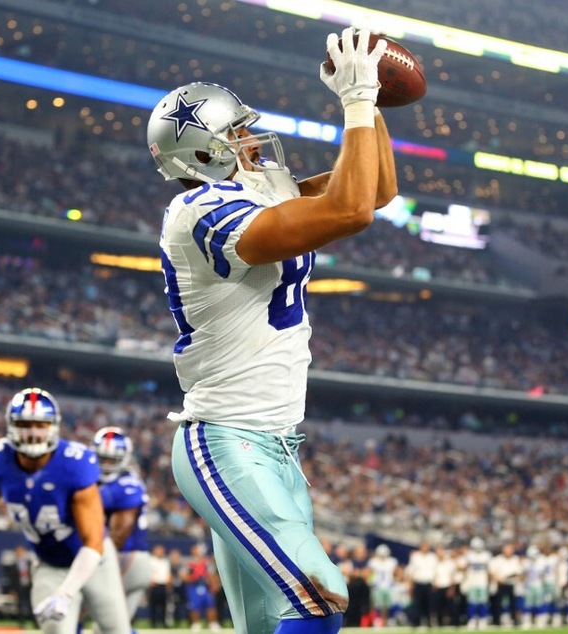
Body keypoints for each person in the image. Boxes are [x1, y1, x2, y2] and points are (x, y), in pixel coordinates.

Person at [147, 25, 396, 634]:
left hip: (279, 448)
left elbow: (376, 190)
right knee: (321, 597)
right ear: (202, 154)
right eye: (233, 134)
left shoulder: (254, 191)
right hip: (226, 441)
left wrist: (373, 102)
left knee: (268, 625)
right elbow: (352, 210)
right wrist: (355, 103)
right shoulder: (200, 213)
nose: (250, 141)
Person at [0, 387, 130, 634]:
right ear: (11, 425)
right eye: (25, 424)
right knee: (56, 629)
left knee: (116, 630)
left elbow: (94, 542)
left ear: (53, 426)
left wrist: (66, 593)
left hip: (94, 561)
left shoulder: (73, 464)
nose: (33, 432)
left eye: (40, 424)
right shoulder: (1, 459)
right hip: (49, 562)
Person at [93, 426, 152, 625]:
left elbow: (117, 536)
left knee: (73, 604)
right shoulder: (123, 483)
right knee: (117, 626)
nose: (107, 464)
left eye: (113, 459)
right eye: (103, 458)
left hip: (125, 556)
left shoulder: (125, 485)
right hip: (133, 558)